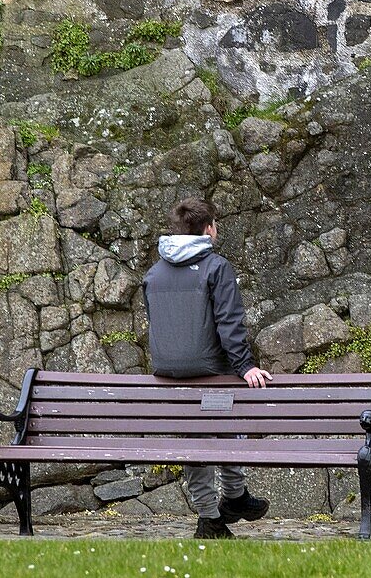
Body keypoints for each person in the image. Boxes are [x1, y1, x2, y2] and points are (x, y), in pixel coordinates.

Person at [143, 197, 273, 539]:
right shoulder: (216, 267)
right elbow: (229, 321)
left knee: (196, 438)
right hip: (211, 370)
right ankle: (228, 503)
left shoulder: (154, 273)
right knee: (225, 425)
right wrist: (245, 367)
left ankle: (214, 511)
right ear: (209, 229)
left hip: (168, 372)